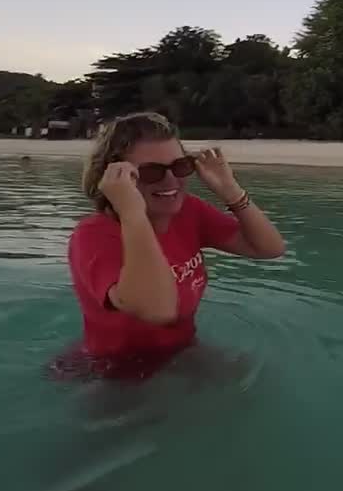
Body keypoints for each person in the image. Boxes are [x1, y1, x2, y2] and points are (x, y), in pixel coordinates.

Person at [57, 112, 285, 379]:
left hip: (182, 351)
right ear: (116, 177)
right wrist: (132, 212)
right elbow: (159, 310)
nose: (171, 181)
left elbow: (269, 248)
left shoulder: (189, 212)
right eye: (151, 172)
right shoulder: (93, 236)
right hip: (113, 372)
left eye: (180, 166)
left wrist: (230, 191)